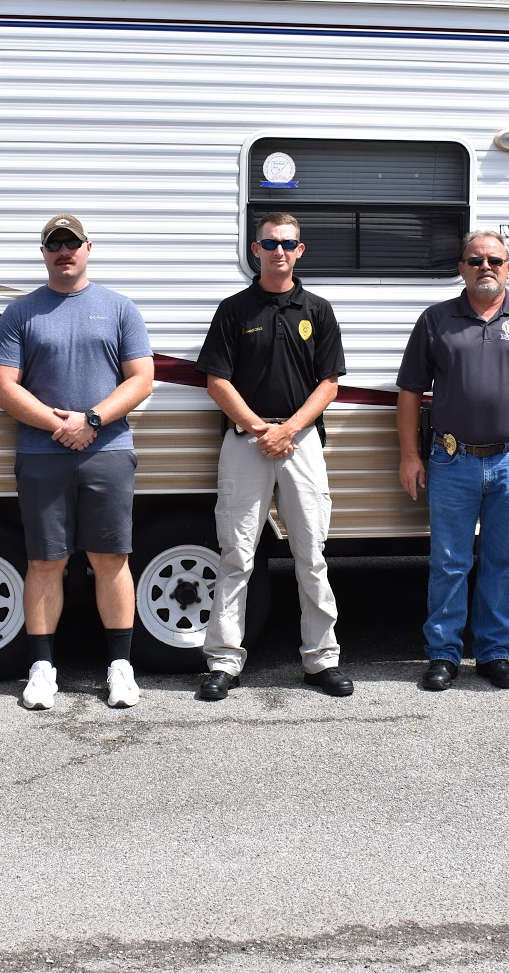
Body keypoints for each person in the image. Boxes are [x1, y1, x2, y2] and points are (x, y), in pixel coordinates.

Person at [0, 215, 155, 709]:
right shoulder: (21, 313)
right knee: (45, 561)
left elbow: (141, 379)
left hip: (109, 452)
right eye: (54, 244)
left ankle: (120, 667)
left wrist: (92, 420)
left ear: (88, 248)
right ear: (43, 253)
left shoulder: (119, 308)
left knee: (112, 559)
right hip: (42, 454)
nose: (64, 251)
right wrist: (59, 425)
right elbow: (2, 386)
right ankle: (42, 669)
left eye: (72, 243)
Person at [396, 230, 509, 691]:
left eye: (495, 259)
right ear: (462, 269)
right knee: (449, 561)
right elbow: (410, 392)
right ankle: (443, 653)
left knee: (501, 561)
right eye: (475, 260)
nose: (485, 267)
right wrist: (410, 455)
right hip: (451, 460)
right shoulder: (436, 320)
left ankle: (494, 652)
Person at [193, 212, 352, 700]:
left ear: (300, 250)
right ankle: (223, 662)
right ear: (255, 250)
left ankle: (321, 660)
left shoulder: (318, 310)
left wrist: (288, 429)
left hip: (301, 443)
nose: (278, 251)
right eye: (269, 243)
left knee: (311, 556)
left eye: (287, 243)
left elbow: (329, 384)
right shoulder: (234, 310)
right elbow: (217, 382)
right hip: (247, 441)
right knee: (237, 556)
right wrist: (262, 428)